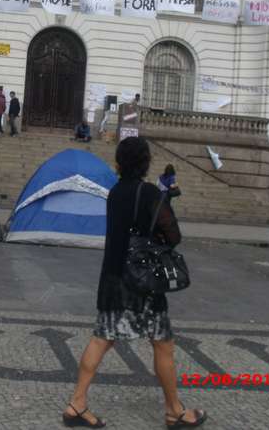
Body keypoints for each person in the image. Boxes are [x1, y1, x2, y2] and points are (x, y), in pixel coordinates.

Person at [62, 137, 206, 429]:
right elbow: (173, 235)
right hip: (143, 284)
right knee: (163, 344)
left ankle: (77, 403)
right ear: (146, 162)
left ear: (119, 162)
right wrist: (166, 201)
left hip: (114, 277)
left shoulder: (114, 192)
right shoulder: (150, 192)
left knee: (102, 338)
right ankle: (174, 410)